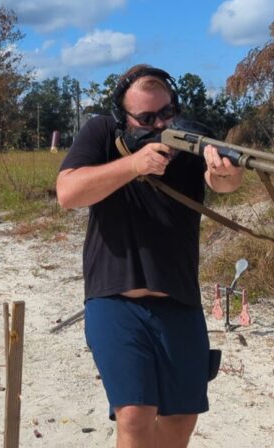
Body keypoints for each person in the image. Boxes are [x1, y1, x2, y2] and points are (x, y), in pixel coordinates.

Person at [56, 64, 245, 448]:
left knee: (180, 420)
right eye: (145, 118)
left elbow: (220, 180)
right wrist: (133, 165)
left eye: (166, 113)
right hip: (115, 300)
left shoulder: (190, 137)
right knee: (135, 414)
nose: (159, 125)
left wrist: (227, 175)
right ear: (122, 117)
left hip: (179, 300)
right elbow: (68, 192)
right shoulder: (102, 134)